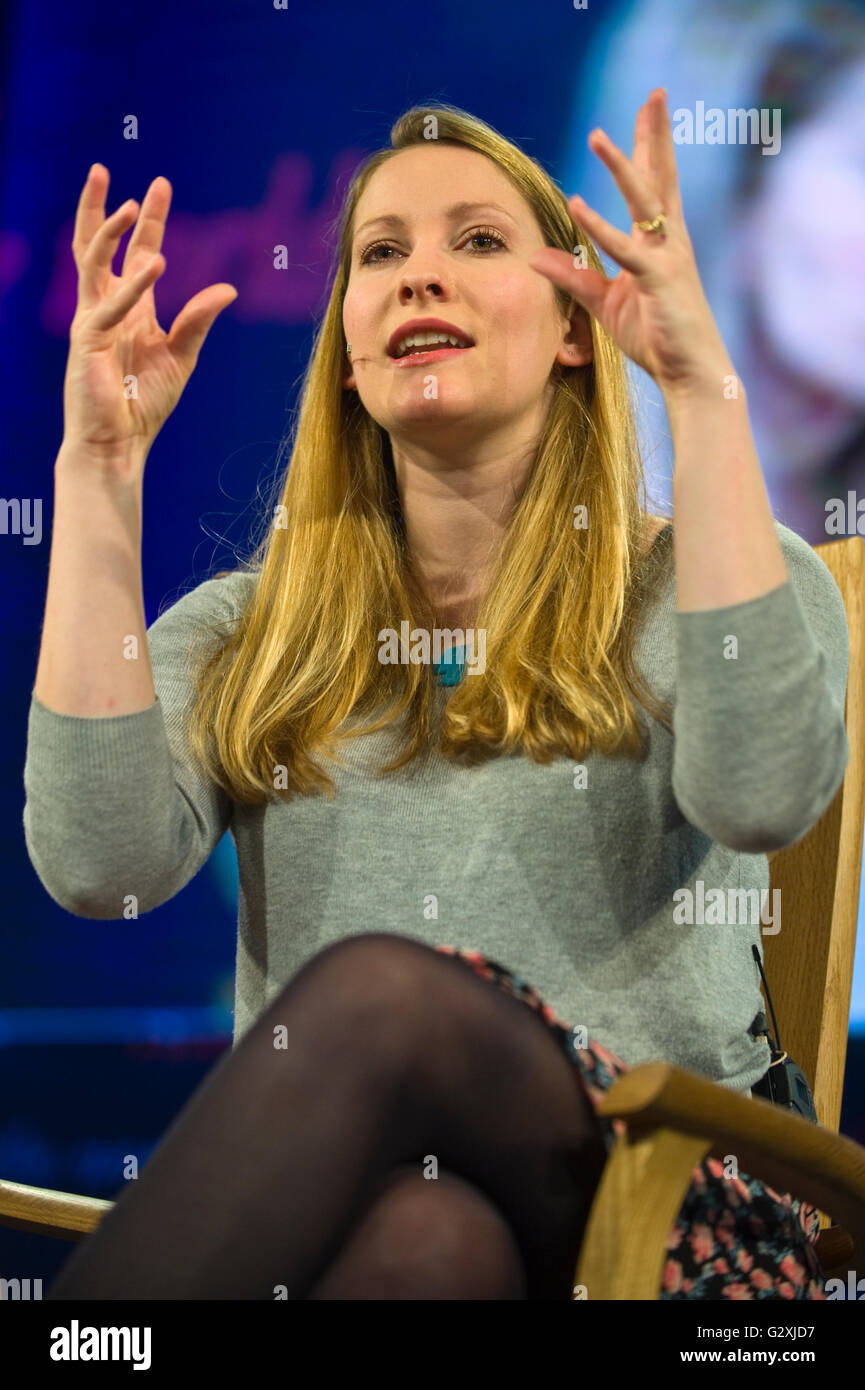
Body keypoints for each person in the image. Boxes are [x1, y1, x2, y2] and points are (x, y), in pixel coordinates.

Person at [25, 94, 848, 1300]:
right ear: (350, 354)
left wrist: (696, 385)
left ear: (576, 328)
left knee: (382, 994)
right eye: (380, 254)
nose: (419, 279)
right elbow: (102, 869)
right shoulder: (252, 632)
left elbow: (768, 795)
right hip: (383, 1222)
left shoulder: (703, 581)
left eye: (475, 242)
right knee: (426, 1246)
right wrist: (96, 470)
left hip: (663, 1216)